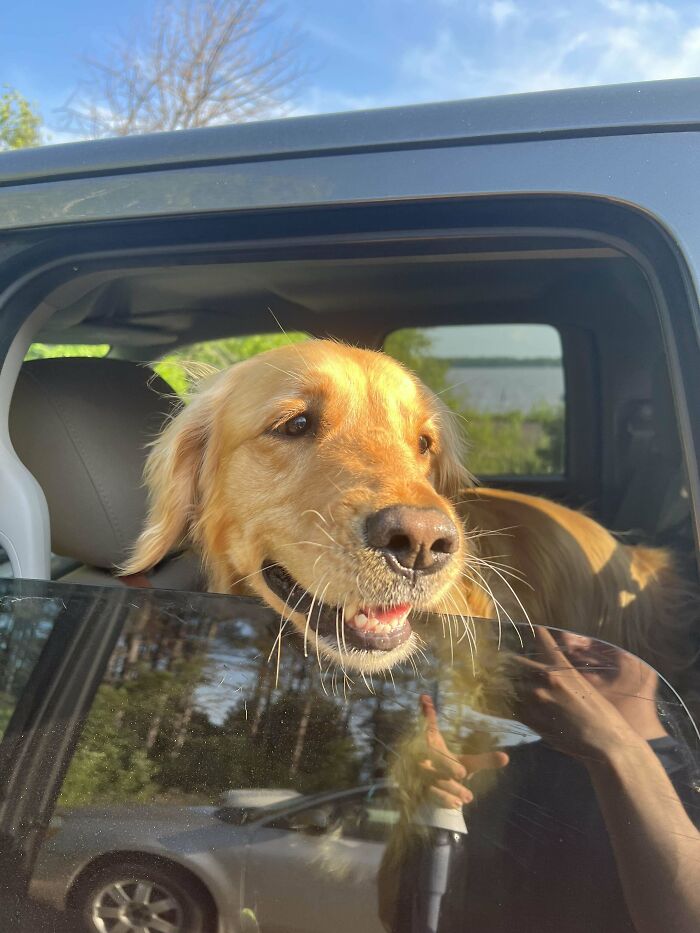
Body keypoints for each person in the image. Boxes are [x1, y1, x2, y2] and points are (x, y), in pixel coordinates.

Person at [380, 628, 700, 933]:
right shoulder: (495, 768)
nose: (568, 642)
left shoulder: (691, 775)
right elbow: (398, 912)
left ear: (659, 642)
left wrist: (616, 750)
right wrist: (426, 814)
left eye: (599, 627)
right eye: (557, 627)